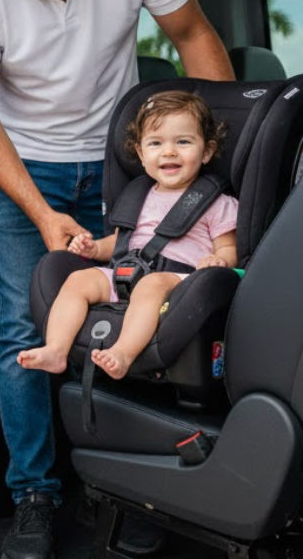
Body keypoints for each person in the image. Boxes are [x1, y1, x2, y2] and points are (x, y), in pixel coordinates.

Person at [0, 0, 234, 559]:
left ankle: (130, 492)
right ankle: (35, 496)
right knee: (24, 325)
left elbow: (192, 35)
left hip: (123, 159)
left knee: (152, 307)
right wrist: (43, 214)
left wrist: (224, 168)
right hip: (23, 164)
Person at [17, 91, 238, 379]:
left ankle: (123, 353)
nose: (169, 152)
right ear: (140, 153)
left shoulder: (217, 203)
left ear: (207, 151)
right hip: (127, 272)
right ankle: (57, 350)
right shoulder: (137, 195)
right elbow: (123, 242)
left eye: (183, 142)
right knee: (77, 280)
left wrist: (218, 260)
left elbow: (230, 248)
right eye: (156, 143)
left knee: (150, 287)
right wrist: (95, 250)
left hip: (179, 281)